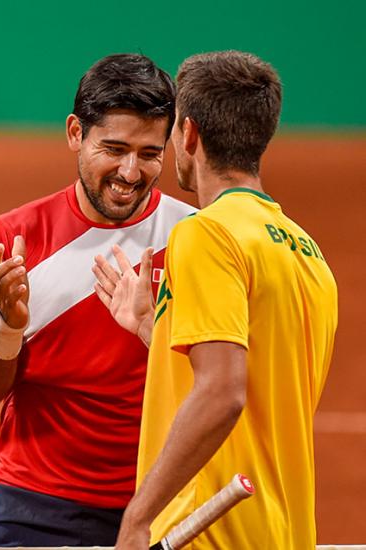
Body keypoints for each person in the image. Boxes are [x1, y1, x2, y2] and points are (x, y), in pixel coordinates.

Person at [0, 54, 196, 547]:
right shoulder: (13, 238)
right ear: (75, 133)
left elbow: (223, 388)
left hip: (161, 500)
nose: (130, 172)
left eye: (149, 153)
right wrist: (6, 326)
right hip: (35, 505)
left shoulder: (195, 239)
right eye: (114, 148)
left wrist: (156, 330)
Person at [94, 51, 338, 549]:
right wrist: (152, 329)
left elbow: (223, 392)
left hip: (209, 532)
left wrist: (138, 517)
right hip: (283, 533)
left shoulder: (205, 235)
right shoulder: (308, 254)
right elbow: (261, 377)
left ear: (188, 134)